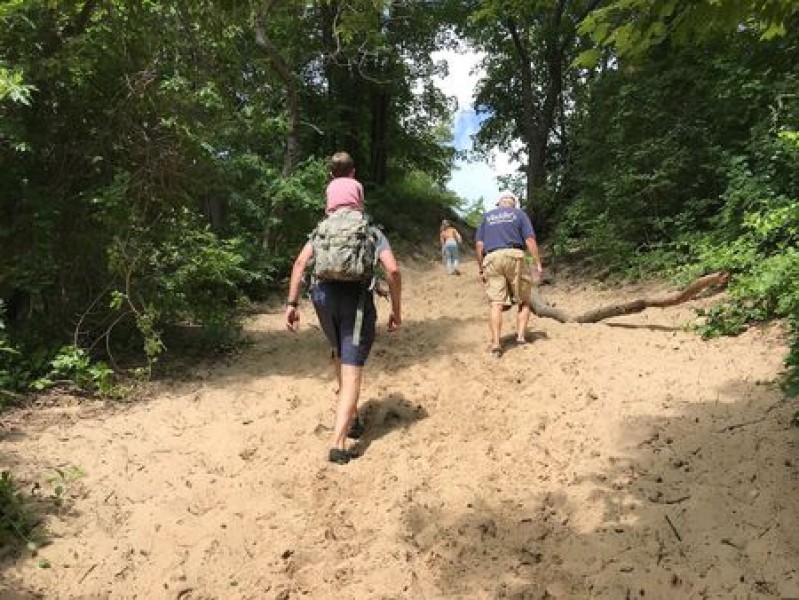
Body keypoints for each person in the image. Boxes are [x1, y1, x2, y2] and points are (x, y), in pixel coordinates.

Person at [285, 216, 402, 465]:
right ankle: (338, 443)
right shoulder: (370, 232)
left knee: (338, 351)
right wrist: (396, 309)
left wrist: (292, 304)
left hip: (323, 299)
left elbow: (299, 264)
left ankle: (353, 417)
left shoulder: (321, 231)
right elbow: (392, 269)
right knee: (352, 371)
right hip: (355, 302)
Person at [475, 190, 543, 358]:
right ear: (513, 203)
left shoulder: (487, 217)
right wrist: (537, 262)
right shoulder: (519, 214)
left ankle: (497, 344)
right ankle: (520, 338)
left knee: (496, 303)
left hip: (491, 258)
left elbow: (479, 245)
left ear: (499, 203)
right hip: (514, 256)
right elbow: (529, 240)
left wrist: (481, 268)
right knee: (524, 301)